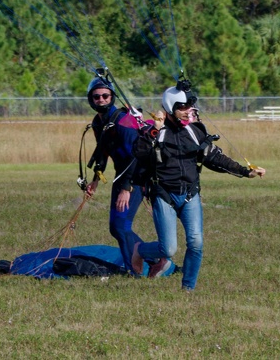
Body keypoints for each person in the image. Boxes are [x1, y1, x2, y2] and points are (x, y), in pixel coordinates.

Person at [131, 84, 265, 290]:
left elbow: (215, 158)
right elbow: (139, 153)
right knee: (168, 249)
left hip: (190, 194)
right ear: (169, 107)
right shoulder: (155, 131)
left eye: (190, 107)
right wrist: (155, 129)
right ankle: (140, 250)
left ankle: (188, 289)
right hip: (164, 194)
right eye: (183, 107)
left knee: (196, 243)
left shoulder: (194, 131)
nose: (188, 111)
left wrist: (246, 171)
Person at [83, 75, 151, 274]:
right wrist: (95, 180)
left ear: (112, 96)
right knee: (116, 228)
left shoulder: (124, 120)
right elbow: (102, 152)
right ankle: (155, 259)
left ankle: (138, 268)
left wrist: (127, 188)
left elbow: (135, 156)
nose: (101, 100)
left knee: (121, 226)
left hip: (136, 178)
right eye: (97, 97)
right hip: (121, 177)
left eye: (105, 95)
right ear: (91, 100)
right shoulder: (98, 122)